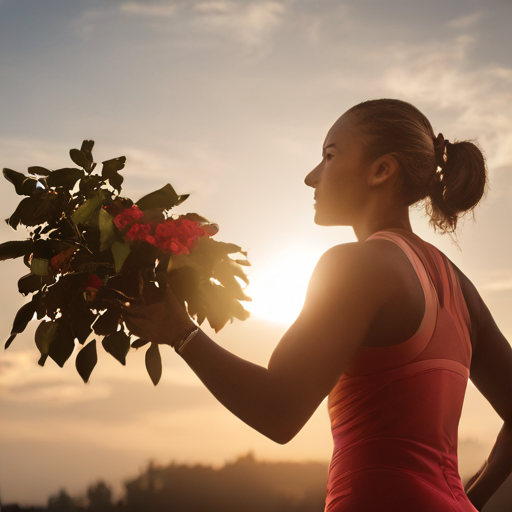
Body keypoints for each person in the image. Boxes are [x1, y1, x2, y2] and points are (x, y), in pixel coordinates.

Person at [121, 99, 512, 511]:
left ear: (382, 170)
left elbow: (279, 411)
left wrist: (181, 334)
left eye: (329, 156)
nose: (311, 177)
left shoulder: (356, 266)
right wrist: (468, 500)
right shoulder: (460, 285)